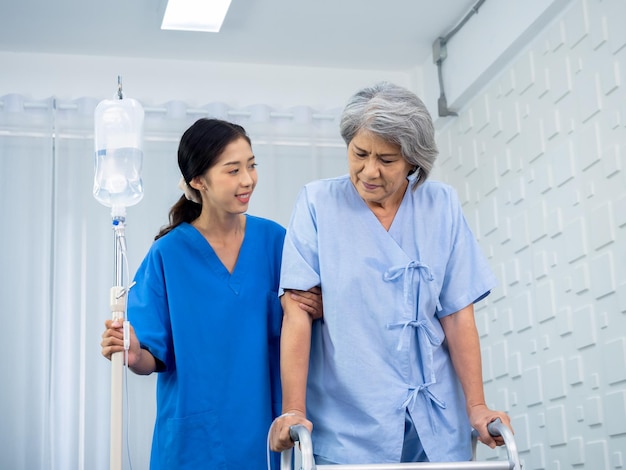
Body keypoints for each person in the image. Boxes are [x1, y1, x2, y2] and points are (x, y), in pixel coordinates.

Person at [270, 82, 513, 464]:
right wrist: (293, 410)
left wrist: (477, 407)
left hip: (435, 417)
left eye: (387, 159)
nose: (369, 171)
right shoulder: (318, 203)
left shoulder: (441, 205)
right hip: (347, 417)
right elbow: (297, 311)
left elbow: (457, 314)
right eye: (359, 153)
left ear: (414, 162)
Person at [100, 118, 323, 470]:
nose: (247, 179)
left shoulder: (275, 242)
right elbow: (151, 358)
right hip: (193, 443)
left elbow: (301, 326)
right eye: (232, 170)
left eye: (251, 165)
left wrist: (320, 307)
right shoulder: (168, 255)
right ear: (198, 181)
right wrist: (130, 351)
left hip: (262, 438)